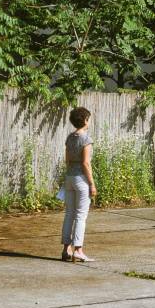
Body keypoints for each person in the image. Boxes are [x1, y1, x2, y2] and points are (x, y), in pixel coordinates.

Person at [61, 106, 98, 262]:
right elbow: (85, 163)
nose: (89, 121)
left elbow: (68, 161)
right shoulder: (86, 139)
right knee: (81, 216)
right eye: (88, 118)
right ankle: (78, 250)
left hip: (69, 178)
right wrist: (92, 184)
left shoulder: (70, 138)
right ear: (84, 120)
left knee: (69, 214)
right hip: (81, 179)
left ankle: (66, 249)